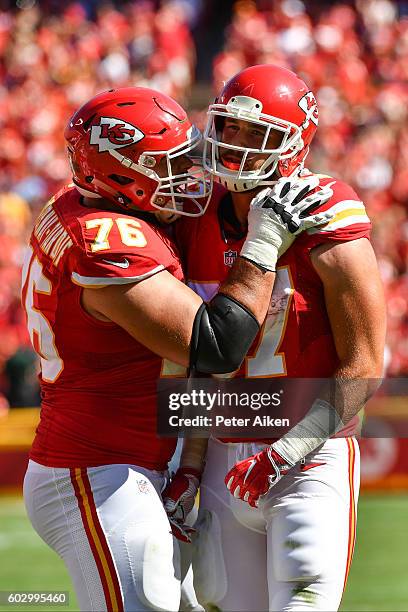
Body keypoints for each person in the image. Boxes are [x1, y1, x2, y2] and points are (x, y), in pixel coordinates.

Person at [21, 86, 332, 612]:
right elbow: (215, 346)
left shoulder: (85, 203)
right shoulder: (108, 241)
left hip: (136, 461)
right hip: (97, 470)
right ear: (120, 175)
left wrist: (187, 464)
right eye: (168, 164)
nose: (187, 176)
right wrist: (262, 241)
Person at [163, 65, 386, 611]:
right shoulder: (197, 218)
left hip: (309, 457)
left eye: (254, 133)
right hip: (222, 454)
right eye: (229, 128)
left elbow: (363, 366)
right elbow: (206, 359)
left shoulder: (326, 216)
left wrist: (282, 455)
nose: (233, 145)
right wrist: (189, 464)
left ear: (292, 146)